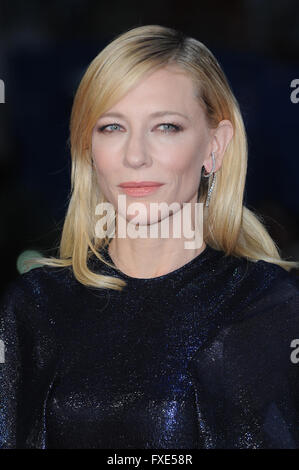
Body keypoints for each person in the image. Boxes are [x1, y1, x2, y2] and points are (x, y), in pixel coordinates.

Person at [1, 24, 299, 450]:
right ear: (88, 148)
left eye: (166, 127)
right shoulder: (31, 310)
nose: (135, 156)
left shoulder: (275, 311)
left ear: (215, 146)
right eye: (111, 127)